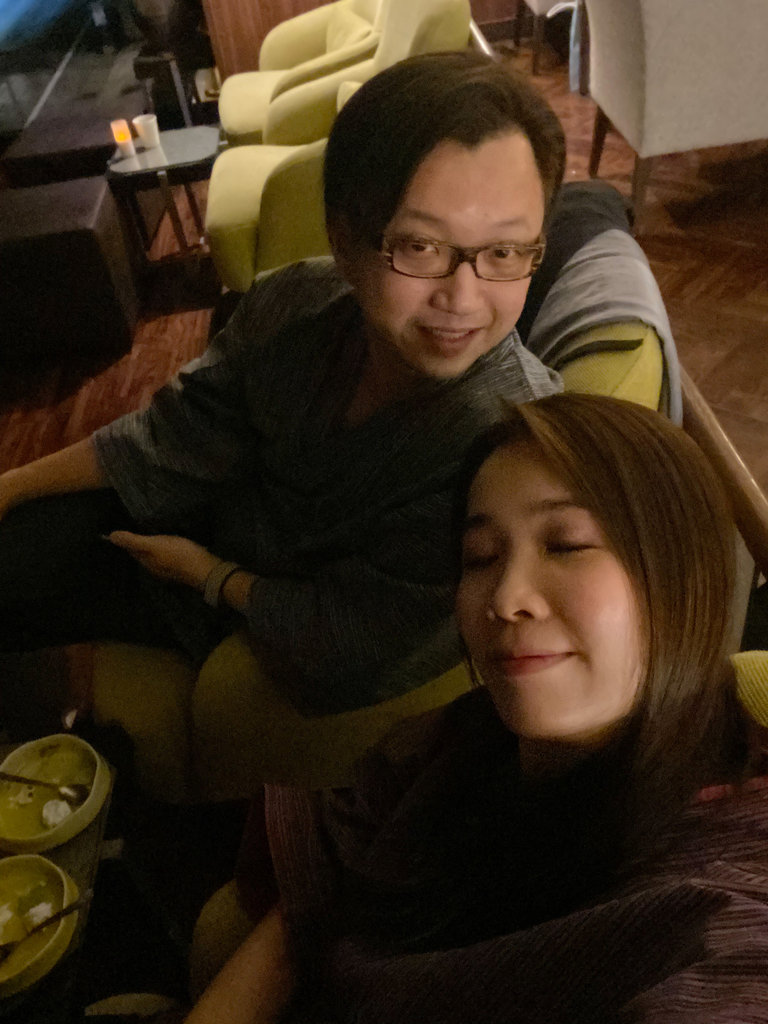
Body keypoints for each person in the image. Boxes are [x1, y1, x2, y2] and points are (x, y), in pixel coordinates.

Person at [0, 51, 565, 717]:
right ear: (343, 240)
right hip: (202, 515)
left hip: (255, 612)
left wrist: (209, 576)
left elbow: (362, 644)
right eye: (420, 246)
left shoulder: (508, 448)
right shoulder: (296, 304)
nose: (462, 299)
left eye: (504, 252)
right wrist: (11, 485)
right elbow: (172, 434)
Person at [187, 393, 768, 1024]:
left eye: (567, 544)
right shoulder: (468, 740)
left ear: (682, 571)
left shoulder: (720, 901)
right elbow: (325, 885)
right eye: (481, 557)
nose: (506, 597)